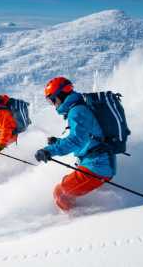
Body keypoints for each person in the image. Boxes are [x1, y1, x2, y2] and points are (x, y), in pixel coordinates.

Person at [34, 77, 116, 211]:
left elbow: (76, 140)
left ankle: (76, 223)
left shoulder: (77, 111)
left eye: (52, 100)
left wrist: (49, 150)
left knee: (60, 194)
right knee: (65, 183)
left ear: (60, 95)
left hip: (96, 166)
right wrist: (58, 142)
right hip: (97, 163)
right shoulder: (78, 108)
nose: (53, 104)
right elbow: (86, 137)